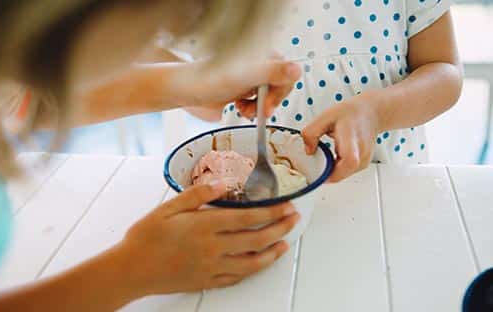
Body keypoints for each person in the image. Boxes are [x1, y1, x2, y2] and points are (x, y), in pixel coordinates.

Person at [0, 1, 303, 311]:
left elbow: (13, 101)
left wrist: (188, 83)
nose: (166, 36)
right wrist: (133, 272)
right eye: (168, 20)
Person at [171, 0, 463, 182]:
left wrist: (378, 111)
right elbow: (206, 102)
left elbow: (444, 71)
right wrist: (211, 85)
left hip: (386, 183)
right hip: (251, 192)